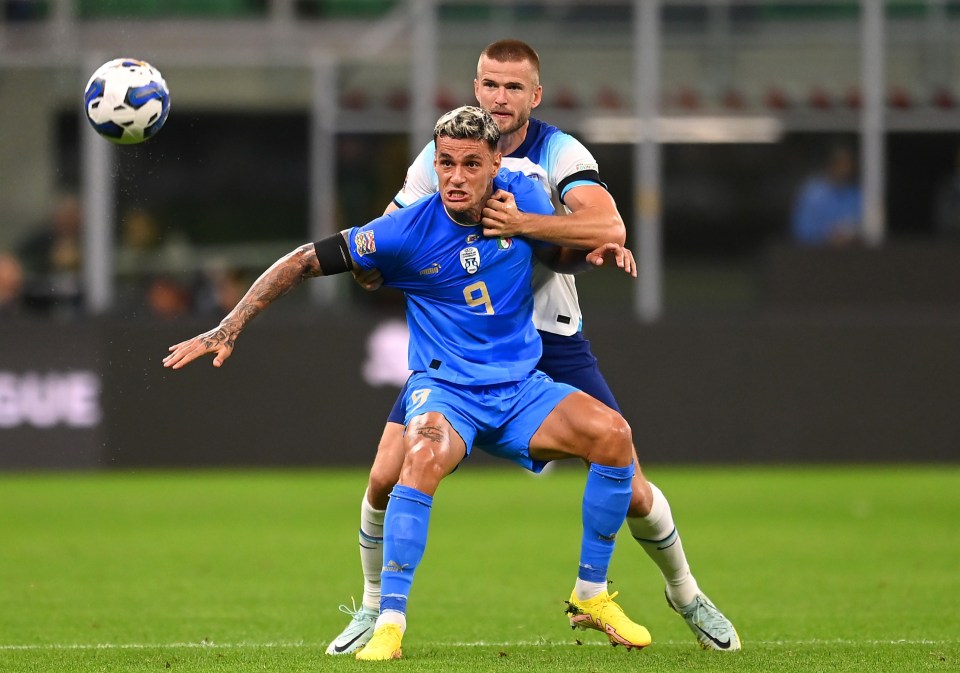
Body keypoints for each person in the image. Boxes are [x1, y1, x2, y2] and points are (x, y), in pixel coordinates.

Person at [164, 106, 649, 660]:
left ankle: (590, 594)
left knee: (614, 435)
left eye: (471, 164)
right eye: (445, 163)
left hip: (520, 388)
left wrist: (594, 251)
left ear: (497, 162)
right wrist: (230, 325)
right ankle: (387, 621)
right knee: (409, 462)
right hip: (447, 391)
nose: (456, 177)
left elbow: (567, 245)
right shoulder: (406, 230)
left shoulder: (524, 200)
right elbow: (303, 261)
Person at [329, 39, 741, 655]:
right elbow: (390, 231)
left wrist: (527, 225)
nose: (500, 98)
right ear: (476, 88)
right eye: (490, 85)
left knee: (629, 481)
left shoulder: (559, 151)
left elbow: (607, 226)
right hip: (468, 342)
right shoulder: (447, 152)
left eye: (513, 88)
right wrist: (371, 270)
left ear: (535, 96)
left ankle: (686, 592)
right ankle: (371, 610)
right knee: (387, 474)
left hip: (549, 335)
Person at [790, 145, 863, 246]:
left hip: (851, 253)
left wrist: (851, 235)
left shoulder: (856, 194)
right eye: (841, 165)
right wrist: (827, 236)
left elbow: (867, 228)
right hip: (816, 254)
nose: (845, 170)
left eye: (848, 165)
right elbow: (801, 230)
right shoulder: (812, 194)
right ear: (831, 166)